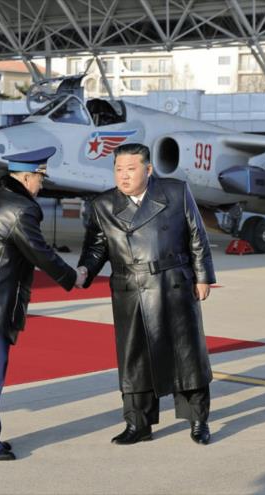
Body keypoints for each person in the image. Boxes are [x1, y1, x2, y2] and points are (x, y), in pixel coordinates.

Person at [0, 147, 84, 461]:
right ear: (26, 176)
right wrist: (70, 277)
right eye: (40, 177)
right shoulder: (21, 209)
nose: (41, 185)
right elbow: (40, 253)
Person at [77, 143, 215, 446]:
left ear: (148, 170)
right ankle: (137, 424)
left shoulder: (176, 192)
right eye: (118, 169)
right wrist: (85, 270)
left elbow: (197, 236)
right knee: (134, 360)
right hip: (131, 289)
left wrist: (203, 277)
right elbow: (96, 246)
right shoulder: (103, 205)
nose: (123, 176)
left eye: (131, 169)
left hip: (173, 284)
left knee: (186, 357)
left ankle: (198, 421)